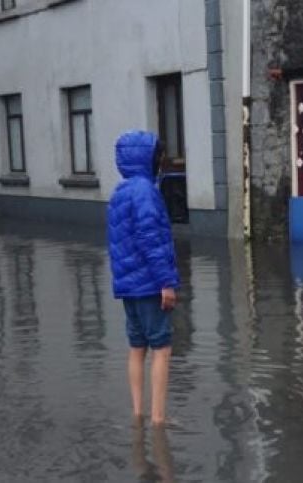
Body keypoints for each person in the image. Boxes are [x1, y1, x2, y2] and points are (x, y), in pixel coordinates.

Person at [108, 130, 179, 426]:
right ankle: (158, 419)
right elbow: (151, 238)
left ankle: (138, 414)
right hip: (150, 285)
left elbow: (119, 242)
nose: (161, 160)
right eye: (158, 155)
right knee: (161, 348)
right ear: (148, 159)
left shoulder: (119, 192)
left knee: (136, 348)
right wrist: (166, 282)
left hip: (128, 287)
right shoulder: (147, 192)